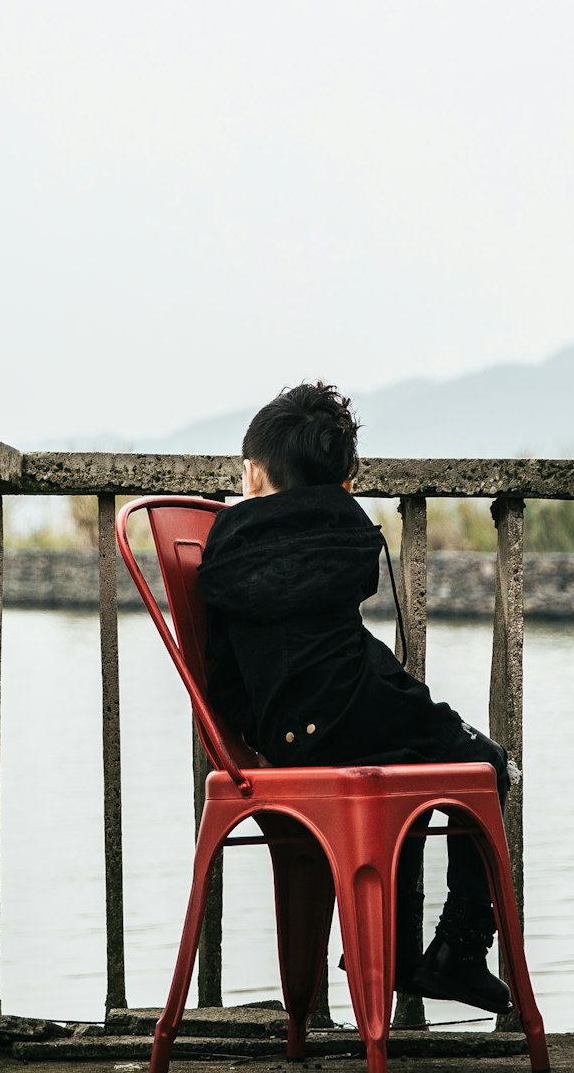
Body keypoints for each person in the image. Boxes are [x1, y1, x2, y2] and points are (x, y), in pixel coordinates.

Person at [197, 379, 515, 1015]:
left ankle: (390, 953)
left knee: (410, 770)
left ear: (252, 473)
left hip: (280, 738)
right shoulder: (342, 537)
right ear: (344, 485)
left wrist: (261, 732)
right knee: (487, 764)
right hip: (356, 706)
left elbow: (224, 674)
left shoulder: (226, 547)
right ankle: (460, 947)